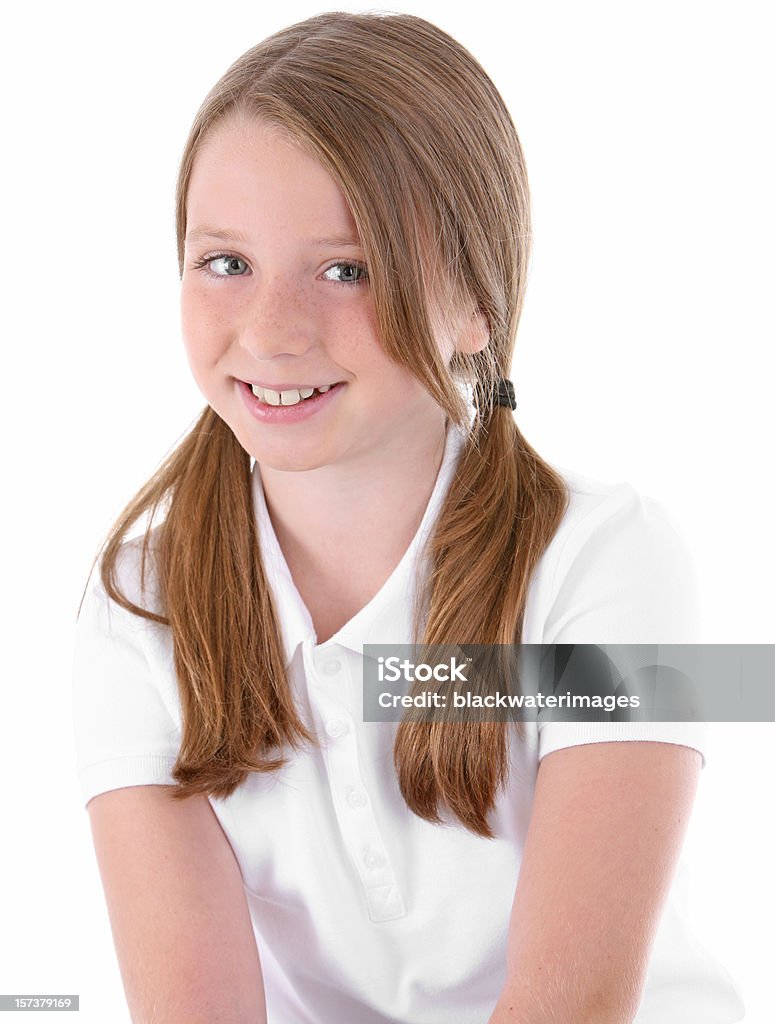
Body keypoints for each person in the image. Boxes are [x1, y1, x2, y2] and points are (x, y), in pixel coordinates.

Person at [70, 11, 745, 1024]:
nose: (271, 329)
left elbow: (573, 1007)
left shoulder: (615, 558)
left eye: (348, 269)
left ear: (477, 300)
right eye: (225, 262)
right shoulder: (137, 606)